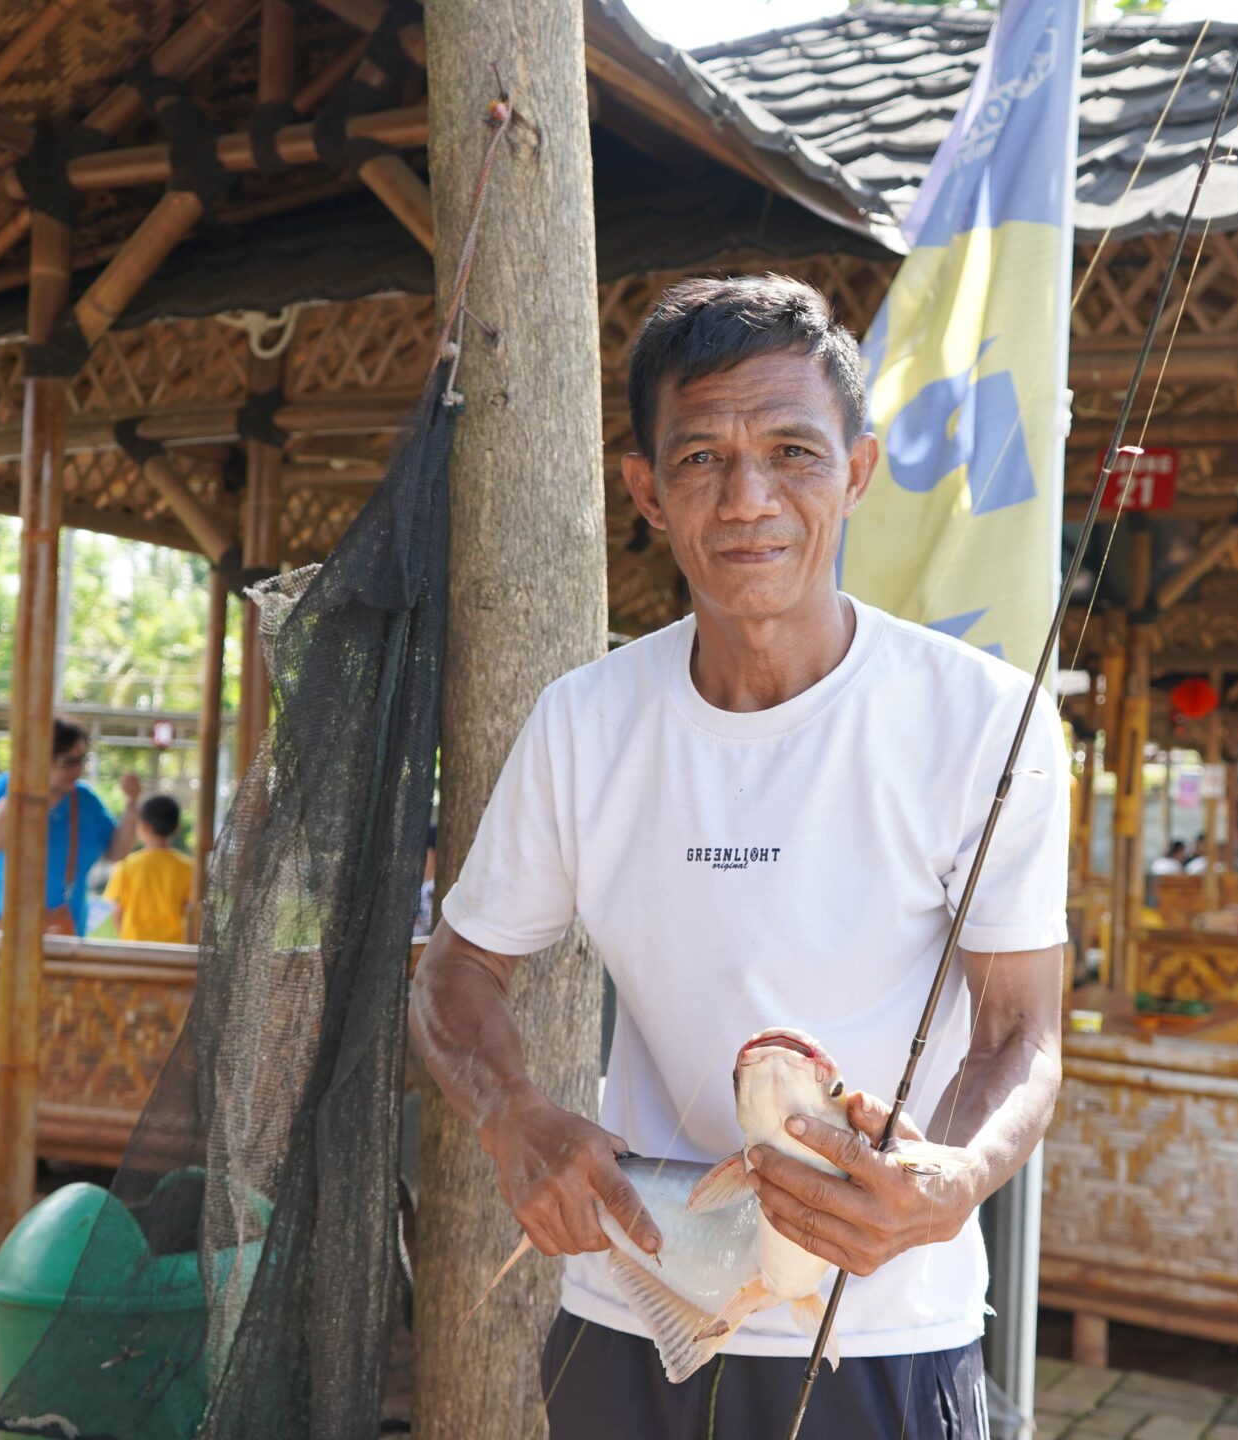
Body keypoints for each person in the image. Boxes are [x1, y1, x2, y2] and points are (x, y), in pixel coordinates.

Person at [410, 275, 1068, 1437]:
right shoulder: (584, 721)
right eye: (701, 458)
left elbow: (1022, 1032)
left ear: (857, 472)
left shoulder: (983, 721)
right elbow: (453, 976)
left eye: (793, 452)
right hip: (632, 1312)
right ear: (647, 493)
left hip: (882, 1327)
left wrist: (951, 1181)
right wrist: (512, 1113)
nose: (747, 496)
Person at [0, 718, 138, 935]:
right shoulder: (2, 789)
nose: (78, 770)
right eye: (68, 762)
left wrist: (131, 804)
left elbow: (116, 851)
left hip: (63, 939)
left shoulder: (85, 801)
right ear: (39, 759)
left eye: (82, 760)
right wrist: (18, 794)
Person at [103, 794, 195, 944]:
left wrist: (123, 939)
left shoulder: (126, 865)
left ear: (144, 826)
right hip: (173, 948)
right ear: (177, 828)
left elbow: (118, 910)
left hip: (134, 945)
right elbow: (191, 911)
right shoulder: (189, 868)